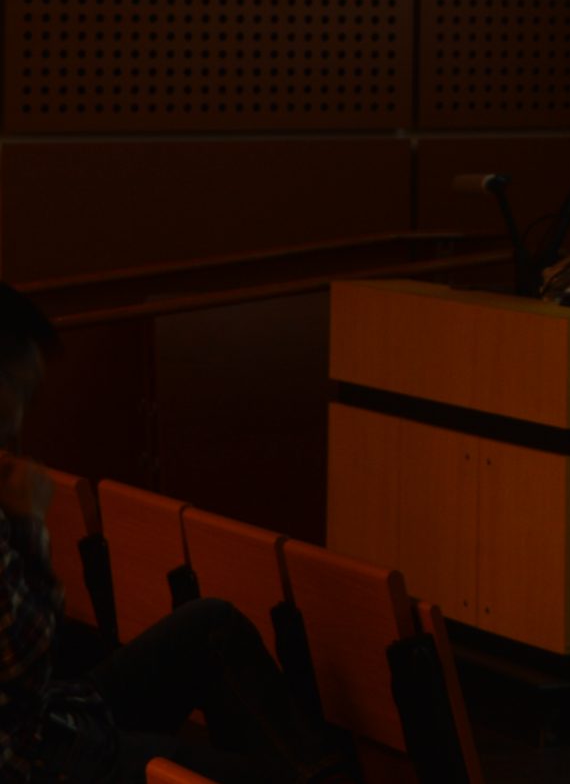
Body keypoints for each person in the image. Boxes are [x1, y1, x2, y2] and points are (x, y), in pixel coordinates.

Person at [0, 288, 344, 784]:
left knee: (212, 626)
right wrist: (29, 522)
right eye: (16, 391)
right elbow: (26, 664)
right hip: (40, 760)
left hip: (54, 717)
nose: (18, 419)